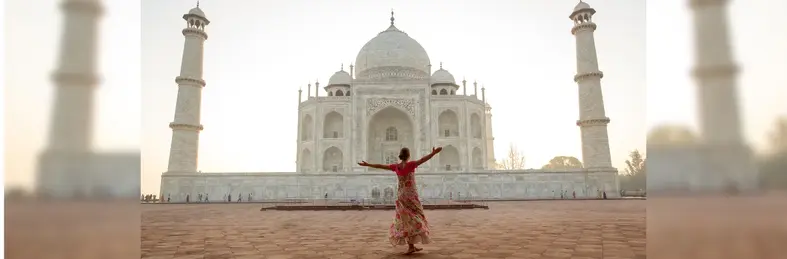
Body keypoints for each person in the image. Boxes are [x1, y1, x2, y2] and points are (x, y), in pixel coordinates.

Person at [358, 146, 442, 255]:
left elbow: (381, 166)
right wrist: (434, 153)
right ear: (408, 155)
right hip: (411, 195)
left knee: (405, 219)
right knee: (417, 216)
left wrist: (368, 164)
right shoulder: (411, 164)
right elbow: (423, 160)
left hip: (401, 195)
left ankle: (411, 246)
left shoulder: (396, 167)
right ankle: (413, 241)